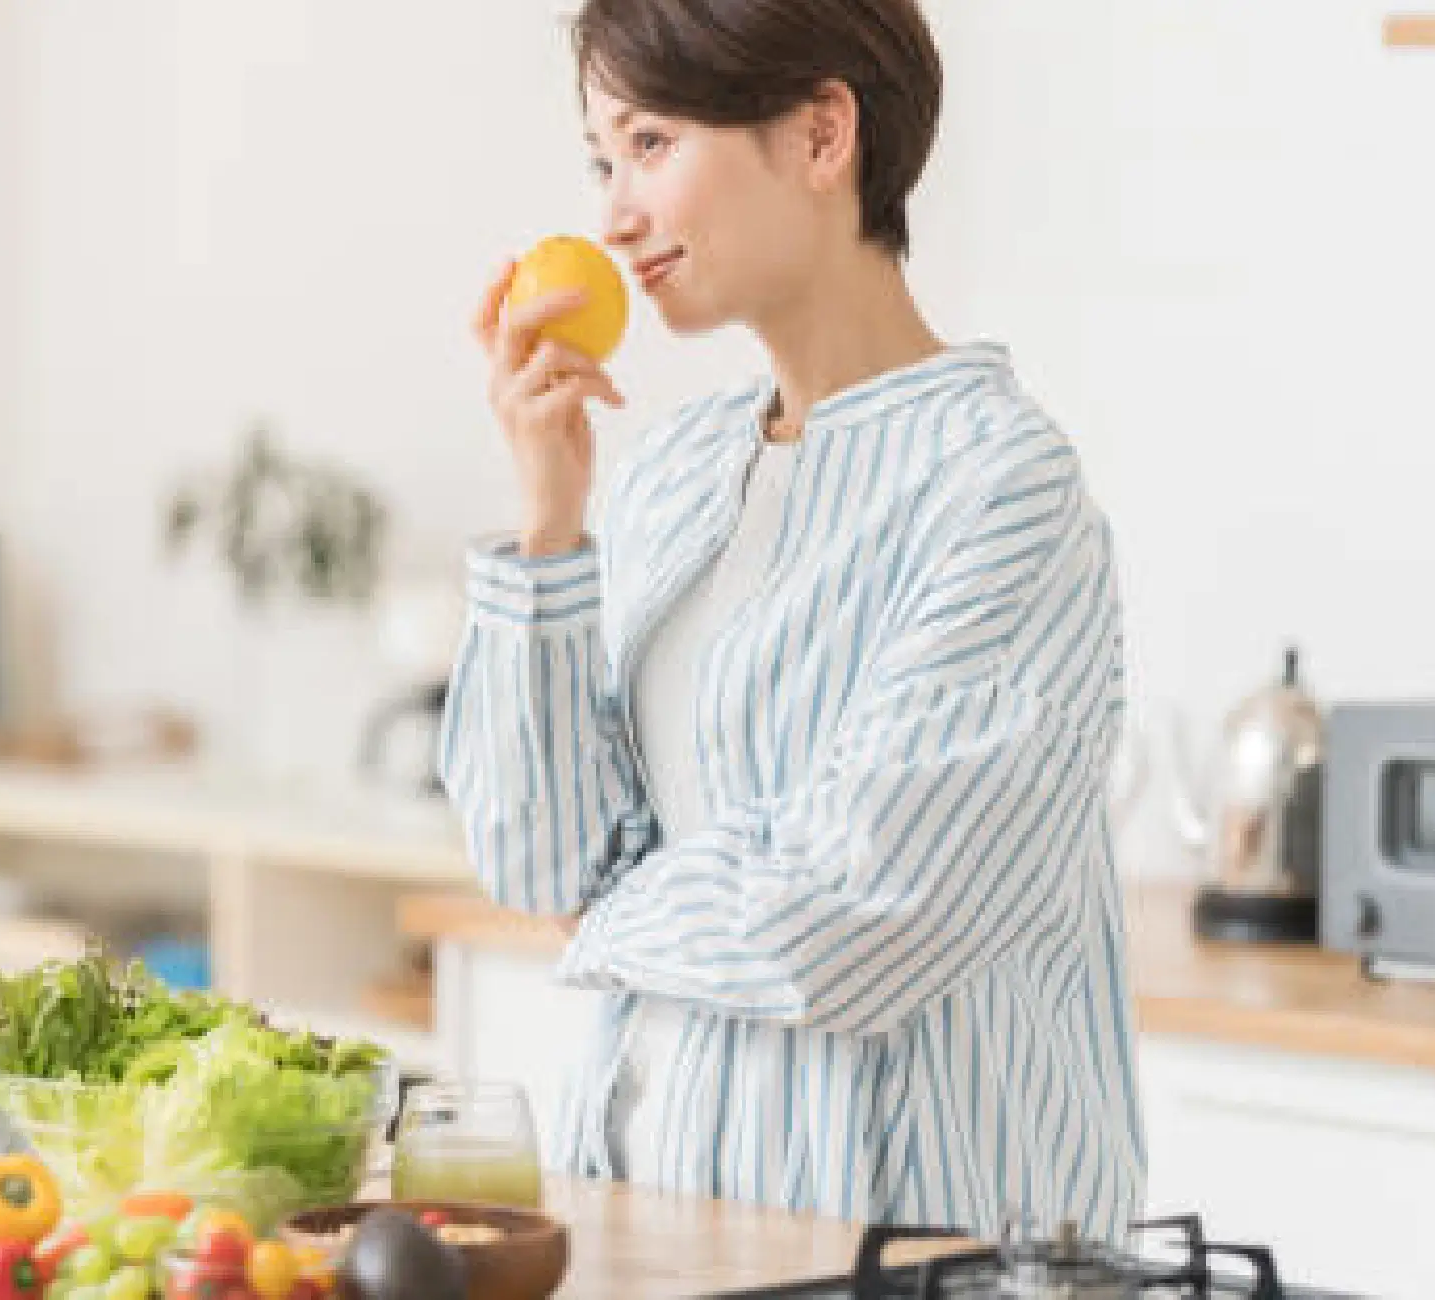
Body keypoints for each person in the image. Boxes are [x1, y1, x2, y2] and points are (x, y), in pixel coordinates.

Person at [437, 0, 1144, 1241]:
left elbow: (851, 917)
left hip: (917, 1254)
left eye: (651, 144)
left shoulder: (1000, 486)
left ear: (821, 135)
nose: (611, 215)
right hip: (649, 1221)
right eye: (602, 161)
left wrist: (605, 912)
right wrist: (550, 520)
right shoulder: (670, 473)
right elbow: (538, 860)